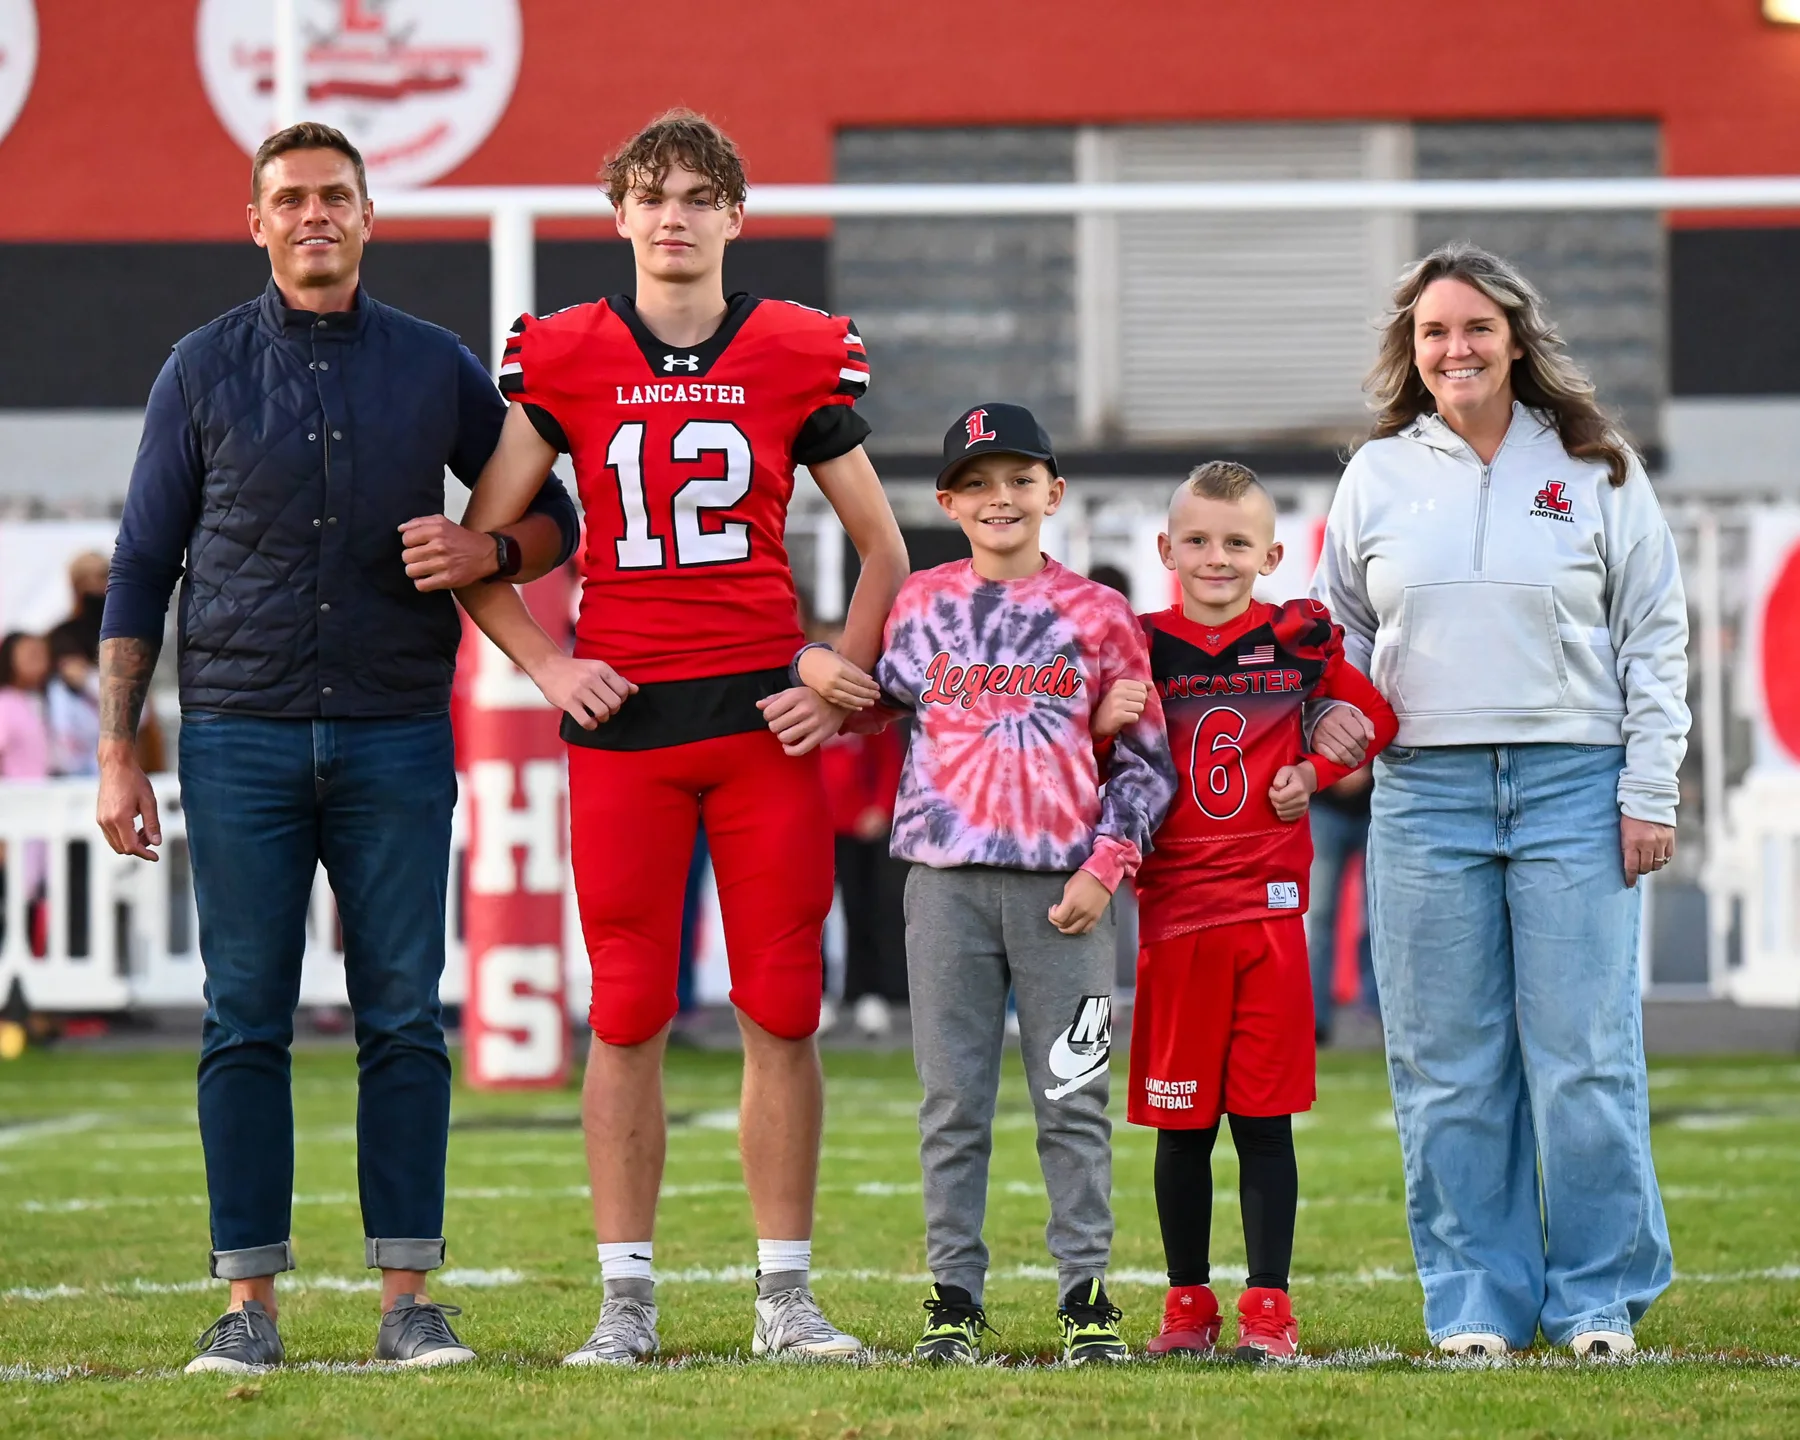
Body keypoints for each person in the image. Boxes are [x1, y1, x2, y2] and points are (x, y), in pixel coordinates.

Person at [96, 122, 580, 1374]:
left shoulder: (435, 366)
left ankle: (407, 1302)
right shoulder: (198, 371)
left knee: (405, 1020)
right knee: (242, 1021)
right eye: (290, 199)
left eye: (336, 197)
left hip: (395, 732)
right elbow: (145, 566)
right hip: (241, 738)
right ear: (256, 222)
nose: (314, 215)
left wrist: (494, 550)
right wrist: (115, 749)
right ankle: (246, 1307)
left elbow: (553, 510)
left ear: (371, 216)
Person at [450, 110, 909, 1365]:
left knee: (782, 1003)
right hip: (629, 724)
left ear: (735, 217)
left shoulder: (797, 350)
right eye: (651, 195)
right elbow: (482, 550)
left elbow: (884, 546)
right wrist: (549, 662)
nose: (674, 215)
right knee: (629, 1009)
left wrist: (844, 678)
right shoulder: (567, 351)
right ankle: (626, 1303)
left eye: (699, 195)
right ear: (618, 216)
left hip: (764, 721)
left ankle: (785, 1297)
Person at [1311, 241, 1690, 1359]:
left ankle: (1594, 1299)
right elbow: (1336, 629)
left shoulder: (1598, 462)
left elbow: (1654, 633)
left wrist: (1648, 786)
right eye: (1435, 332)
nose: (1456, 347)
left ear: (1515, 338)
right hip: (1424, 797)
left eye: (1474, 327)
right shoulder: (1377, 474)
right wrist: (1334, 718)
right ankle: (1474, 1299)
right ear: (1412, 352)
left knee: (1584, 1057)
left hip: (1577, 785)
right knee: (1446, 1064)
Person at [801, 403, 1177, 1365]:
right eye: (978, 482)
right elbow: (869, 702)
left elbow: (1147, 769)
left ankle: (1087, 1296)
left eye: (1019, 479)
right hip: (945, 889)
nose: (999, 498)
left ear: (1054, 492)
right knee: (953, 1104)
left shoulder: (1100, 615)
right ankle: (954, 1299)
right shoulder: (919, 604)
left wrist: (1106, 868)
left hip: (1067, 894)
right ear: (948, 501)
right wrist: (808, 661)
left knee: (1075, 1099)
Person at [1092, 462, 1396, 1362]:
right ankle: (1188, 1302)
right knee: (1181, 1125)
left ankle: (1269, 1303)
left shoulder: (1300, 640)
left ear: (1270, 552)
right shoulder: (1135, 646)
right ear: (1165, 550)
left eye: (1235, 543)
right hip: (1176, 917)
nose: (1215, 558)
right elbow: (1084, 746)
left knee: (1264, 1123)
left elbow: (1373, 714)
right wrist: (1101, 720)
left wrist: (1320, 766)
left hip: (1267, 920)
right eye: (1197, 540)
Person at [817, 629, 908, 1039]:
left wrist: (881, 808)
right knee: (809, 916)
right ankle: (815, 997)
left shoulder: (863, 704)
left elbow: (888, 760)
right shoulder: (801, 703)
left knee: (863, 910)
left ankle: (867, 994)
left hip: (857, 826)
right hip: (812, 827)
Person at [1305, 770, 1375, 1044]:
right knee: (1320, 917)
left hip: (1377, 803)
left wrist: (1366, 769)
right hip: (1324, 806)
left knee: (1379, 919)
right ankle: (1315, 1022)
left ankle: (1381, 1016)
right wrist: (1329, 769)